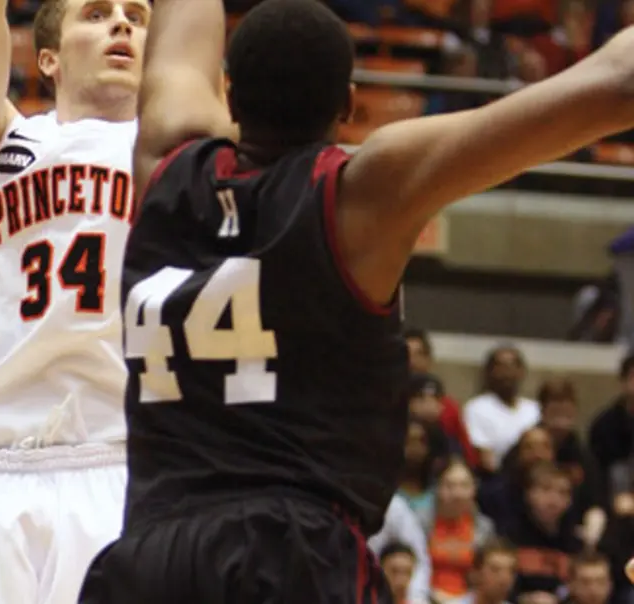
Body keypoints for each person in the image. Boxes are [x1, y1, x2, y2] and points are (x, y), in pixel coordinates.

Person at [78, 0, 634, 601]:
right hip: (290, 554)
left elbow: (184, 41)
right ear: (348, 104)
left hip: (150, 556)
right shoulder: (359, 195)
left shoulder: (161, 162)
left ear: (231, 97)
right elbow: (617, 83)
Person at [0, 0, 150, 600]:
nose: (121, 24)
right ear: (47, 56)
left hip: (124, 463)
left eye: (138, 16)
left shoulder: (183, 157)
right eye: (96, 14)